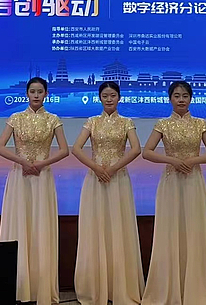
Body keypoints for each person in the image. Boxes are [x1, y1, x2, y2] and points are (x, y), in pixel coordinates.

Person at [141, 81, 206, 305]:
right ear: (170, 99)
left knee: (194, 229)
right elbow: (147, 152)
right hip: (171, 181)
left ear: (191, 98)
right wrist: (172, 161)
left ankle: (196, 288)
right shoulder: (162, 124)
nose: (181, 99)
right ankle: (169, 288)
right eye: (176, 95)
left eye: (185, 95)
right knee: (170, 230)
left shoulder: (200, 123)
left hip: (194, 181)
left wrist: (193, 160)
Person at [0, 77, 69, 305]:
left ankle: (40, 287)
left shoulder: (53, 119)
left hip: (42, 176)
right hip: (20, 176)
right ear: (27, 94)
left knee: (40, 225)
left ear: (46, 94)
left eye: (40, 91)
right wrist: (23, 162)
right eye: (32, 91)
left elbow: (64, 150)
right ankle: (19, 286)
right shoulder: (15, 118)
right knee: (20, 223)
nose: (36, 95)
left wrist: (41, 164)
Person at [72, 81, 145, 305]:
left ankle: (119, 287)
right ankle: (95, 287)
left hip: (118, 179)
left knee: (118, 226)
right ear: (100, 98)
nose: (109, 99)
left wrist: (113, 168)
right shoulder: (92, 122)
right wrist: (96, 167)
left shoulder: (126, 122)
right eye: (105, 96)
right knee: (95, 226)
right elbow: (76, 148)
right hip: (95, 179)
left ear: (119, 97)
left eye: (113, 95)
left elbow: (136, 149)